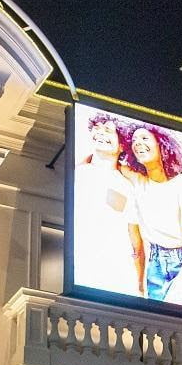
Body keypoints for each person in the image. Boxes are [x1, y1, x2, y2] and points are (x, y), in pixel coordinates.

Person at [72, 112, 146, 296]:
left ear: (122, 144)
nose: (101, 133)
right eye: (97, 128)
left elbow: (135, 241)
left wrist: (140, 286)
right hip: (80, 269)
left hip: (116, 277)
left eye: (108, 130)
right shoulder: (77, 172)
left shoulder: (128, 185)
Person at [126, 124, 182, 305]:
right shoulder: (139, 182)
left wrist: (181, 284)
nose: (138, 143)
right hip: (155, 264)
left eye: (144, 138)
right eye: (134, 140)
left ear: (161, 144)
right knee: (159, 329)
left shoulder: (181, 185)